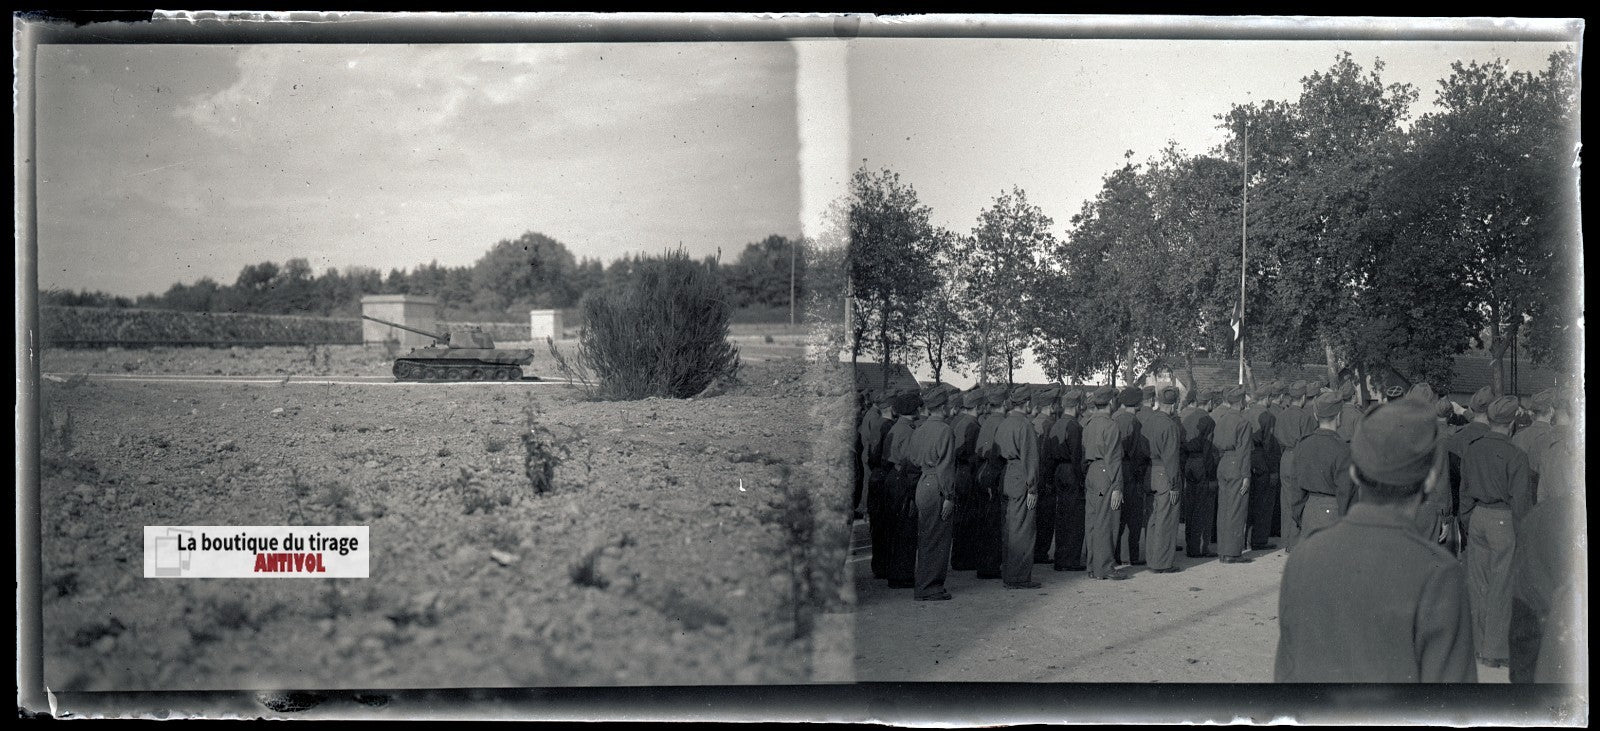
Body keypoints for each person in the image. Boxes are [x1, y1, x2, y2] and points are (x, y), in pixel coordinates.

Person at [1274, 398, 1477, 682]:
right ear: (1430, 480)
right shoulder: (1441, 573)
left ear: (1355, 473)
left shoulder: (1305, 556)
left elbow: (1286, 677)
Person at [1460, 395, 1534, 669]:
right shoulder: (1516, 455)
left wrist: (1468, 519)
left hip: (1477, 516)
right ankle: (1494, 651)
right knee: (1501, 586)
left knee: (1478, 583)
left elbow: (1465, 491)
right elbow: (1521, 502)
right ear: (1513, 422)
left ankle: (1478, 648)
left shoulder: (1473, 448)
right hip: (1503, 520)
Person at [908, 389, 957, 601]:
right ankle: (930, 586)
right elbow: (945, 467)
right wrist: (949, 496)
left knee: (927, 535)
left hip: (923, 482)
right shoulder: (945, 430)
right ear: (943, 406)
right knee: (938, 537)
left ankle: (924, 583)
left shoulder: (919, 429)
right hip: (937, 484)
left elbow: (913, 458)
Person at [991, 388, 1042, 589]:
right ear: (1026, 403)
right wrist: (1032, 488)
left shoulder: (1004, 423)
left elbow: (995, 456)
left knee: (1010, 527)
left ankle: (1009, 573)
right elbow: (1031, 459)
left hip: (1006, 475)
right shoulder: (1025, 425)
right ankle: (1019, 577)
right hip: (1021, 476)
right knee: (1023, 529)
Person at [1289, 391, 1353, 541]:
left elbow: (1296, 487)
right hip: (1334, 512)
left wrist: (1300, 514)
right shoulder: (1344, 449)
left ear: (1316, 416)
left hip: (1309, 510)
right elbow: (1347, 492)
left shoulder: (1303, 445)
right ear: (1339, 416)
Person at [1081, 386, 1129, 580]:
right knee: (1105, 520)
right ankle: (1105, 567)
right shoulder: (1110, 425)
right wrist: (1117, 487)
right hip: (1105, 476)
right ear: (1111, 402)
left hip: (1092, 473)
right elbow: (1114, 459)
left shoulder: (1088, 423)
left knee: (1092, 519)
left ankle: (1093, 565)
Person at [1143, 386, 1185, 573]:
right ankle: (1162, 562)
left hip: (1151, 470)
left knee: (1154, 518)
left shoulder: (1150, 421)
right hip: (1165, 473)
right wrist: (1175, 484)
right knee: (1166, 519)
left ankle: (1152, 558)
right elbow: (1172, 459)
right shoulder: (1169, 426)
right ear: (1174, 403)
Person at [884, 392, 923, 589]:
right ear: (914, 409)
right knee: (906, 529)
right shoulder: (908, 431)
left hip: (894, 477)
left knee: (896, 528)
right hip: (904, 480)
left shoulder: (896, 427)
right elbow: (911, 461)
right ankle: (902, 575)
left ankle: (896, 572)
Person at [1211, 385, 1254, 564]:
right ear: (1242, 401)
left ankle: (1223, 550)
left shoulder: (1221, 419)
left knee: (1224, 508)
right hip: (1237, 464)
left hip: (1223, 463)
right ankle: (1232, 552)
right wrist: (1246, 475)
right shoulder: (1243, 423)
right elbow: (1244, 451)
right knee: (1236, 509)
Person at [1274, 381, 1314, 553]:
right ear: (1304, 397)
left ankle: (1287, 540)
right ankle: (1296, 542)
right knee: (1300, 500)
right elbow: (1309, 441)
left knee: (1286, 500)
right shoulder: (1305, 416)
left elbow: (1277, 436)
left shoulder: (1282, 415)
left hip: (1285, 458)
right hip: (1299, 458)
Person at [973, 387, 1008, 580]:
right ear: (1004, 403)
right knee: (995, 521)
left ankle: (985, 564)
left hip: (983, 471)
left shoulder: (986, 422)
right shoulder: (1002, 423)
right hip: (995, 472)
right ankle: (991, 565)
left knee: (985, 520)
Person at [1050, 389, 1087, 571]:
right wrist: (1081, 479)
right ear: (1078, 406)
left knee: (1062, 516)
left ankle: (1060, 557)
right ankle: (1070, 560)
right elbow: (1076, 456)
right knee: (1074, 518)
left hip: (1058, 470)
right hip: (1071, 472)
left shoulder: (1057, 424)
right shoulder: (1075, 426)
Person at [948, 390, 984, 571]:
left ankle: (958, 558)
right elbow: (973, 453)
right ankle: (966, 559)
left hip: (959, 473)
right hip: (968, 473)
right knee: (969, 517)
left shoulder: (960, 423)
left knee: (961, 516)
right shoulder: (974, 427)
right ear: (977, 407)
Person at [1112, 387, 1148, 566]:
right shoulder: (1134, 421)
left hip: (1115, 469)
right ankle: (1132, 556)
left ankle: (1116, 554)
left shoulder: (1115, 418)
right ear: (1136, 402)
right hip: (1130, 470)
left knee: (1117, 515)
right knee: (1133, 516)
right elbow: (1138, 453)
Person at [1180, 389, 1218, 558]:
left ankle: (1191, 545)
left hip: (1188, 462)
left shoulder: (1187, 418)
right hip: (1202, 463)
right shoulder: (1208, 420)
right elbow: (1209, 449)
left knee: (1191, 506)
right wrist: (1211, 475)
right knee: (1203, 507)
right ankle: (1201, 547)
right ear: (1209, 402)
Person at [861, 391, 895, 580]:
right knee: (887, 523)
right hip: (884, 477)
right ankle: (885, 566)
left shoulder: (876, 423)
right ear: (891, 408)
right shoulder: (889, 426)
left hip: (875, 476)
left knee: (877, 524)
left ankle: (878, 565)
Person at [1244, 385, 1279, 551]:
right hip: (1261, 458)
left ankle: (1245, 539)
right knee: (1263, 502)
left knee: (1248, 501)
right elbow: (1268, 444)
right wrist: (1273, 470)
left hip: (1247, 458)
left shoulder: (1246, 412)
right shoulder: (1268, 416)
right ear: (1267, 398)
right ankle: (1259, 539)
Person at [1510, 389, 1559, 503]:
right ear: (1551, 411)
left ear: (1533, 413)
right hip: (1547, 499)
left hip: (1522, 498)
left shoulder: (1518, 436)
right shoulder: (1554, 437)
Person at [1033, 387, 1061, 565]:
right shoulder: (1050, 424)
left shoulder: (1033, 421)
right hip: (1045, 475)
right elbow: (1050, 455)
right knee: (1046, 517)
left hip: (1033, 475)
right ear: (1051, 405)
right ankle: (1040, 553)